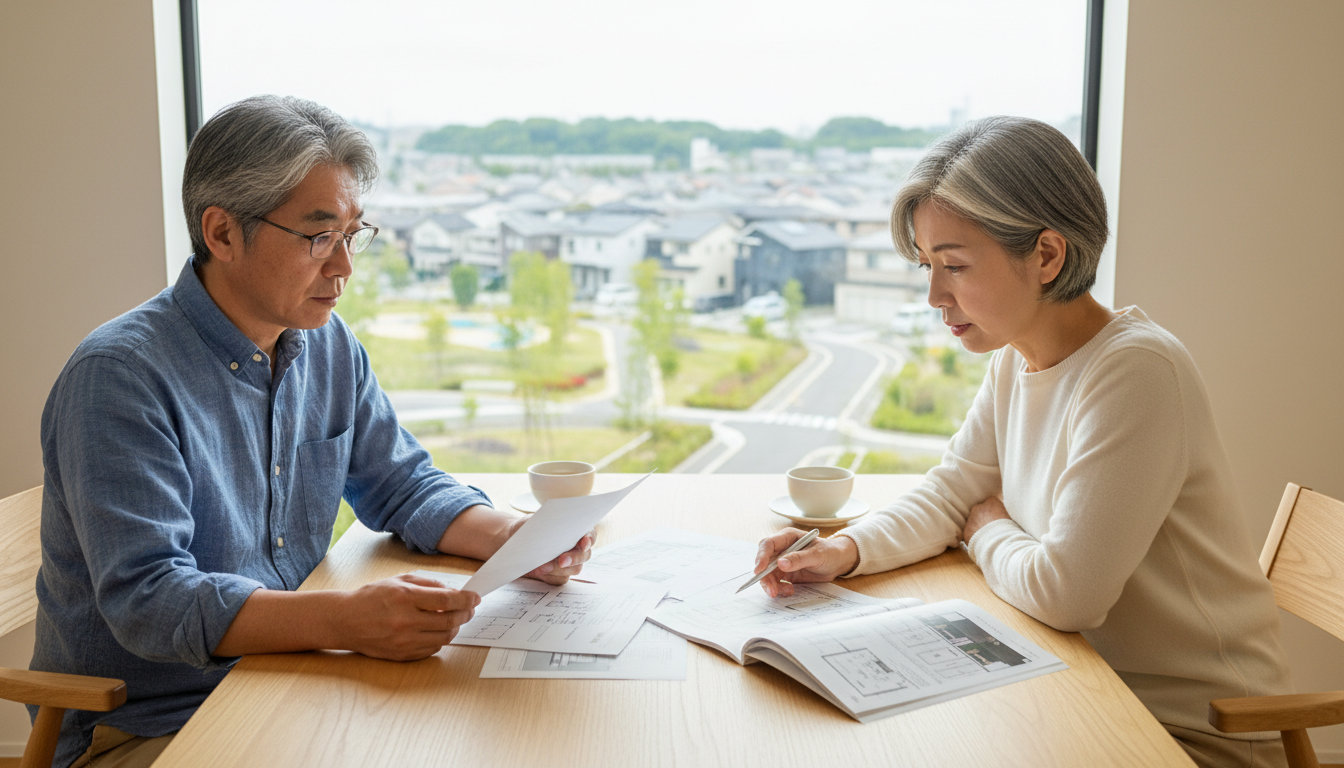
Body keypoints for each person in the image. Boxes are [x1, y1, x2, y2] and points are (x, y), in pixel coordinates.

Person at [32, 95, 593, 768]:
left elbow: (402, 483)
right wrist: (348, 620)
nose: (345, 267)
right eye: (318, 236)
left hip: (286, 679)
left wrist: (513, 539)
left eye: (353, 235)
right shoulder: (119, 377)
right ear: (221, 233)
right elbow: (151, 602)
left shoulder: (323, 345)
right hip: (151, 726)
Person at [752, 117, 1292, 768]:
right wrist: (842, 550)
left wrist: (984, 531)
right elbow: (955, 491)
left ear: (1045, 255)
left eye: (953, 266)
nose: (933, 295)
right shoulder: (1016, 360)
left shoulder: (1137, 372)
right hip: (1082, 692)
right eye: (928, 266)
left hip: (1188, 733)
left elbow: (1066, 594)